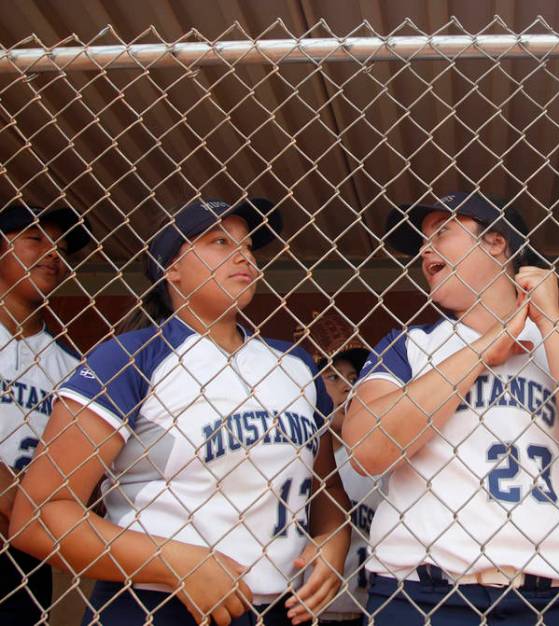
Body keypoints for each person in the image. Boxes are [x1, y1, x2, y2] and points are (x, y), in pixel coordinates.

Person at [10, 198, 351, 626]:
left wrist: (334, 540)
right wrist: (174, 562)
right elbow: (39, 515)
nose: (243, 255)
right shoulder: (131, 358)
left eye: (247, 246)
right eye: (219, 241)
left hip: (284, 608)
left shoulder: (295, 365)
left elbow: (326, 487)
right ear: (171, 269)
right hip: (156, 604)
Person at [343, 192, 559, 625]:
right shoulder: (408, 345)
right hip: (420, 591)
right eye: (423, 242)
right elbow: (367, 449)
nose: (426, 250)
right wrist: (485, 349)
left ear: (496, 242)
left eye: (441, 233)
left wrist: (550, 320)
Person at [0, 202, 90, 625]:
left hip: (26, 549)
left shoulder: (72, 369)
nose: (53, 253)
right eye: (35, 239)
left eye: (60, 246)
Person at [295, 312, 378, 626]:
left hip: (365, 610)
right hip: (300, 610)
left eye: (353, 376)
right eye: (331, 376)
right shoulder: (292, 461)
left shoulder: (375, 460)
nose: (347, 388)